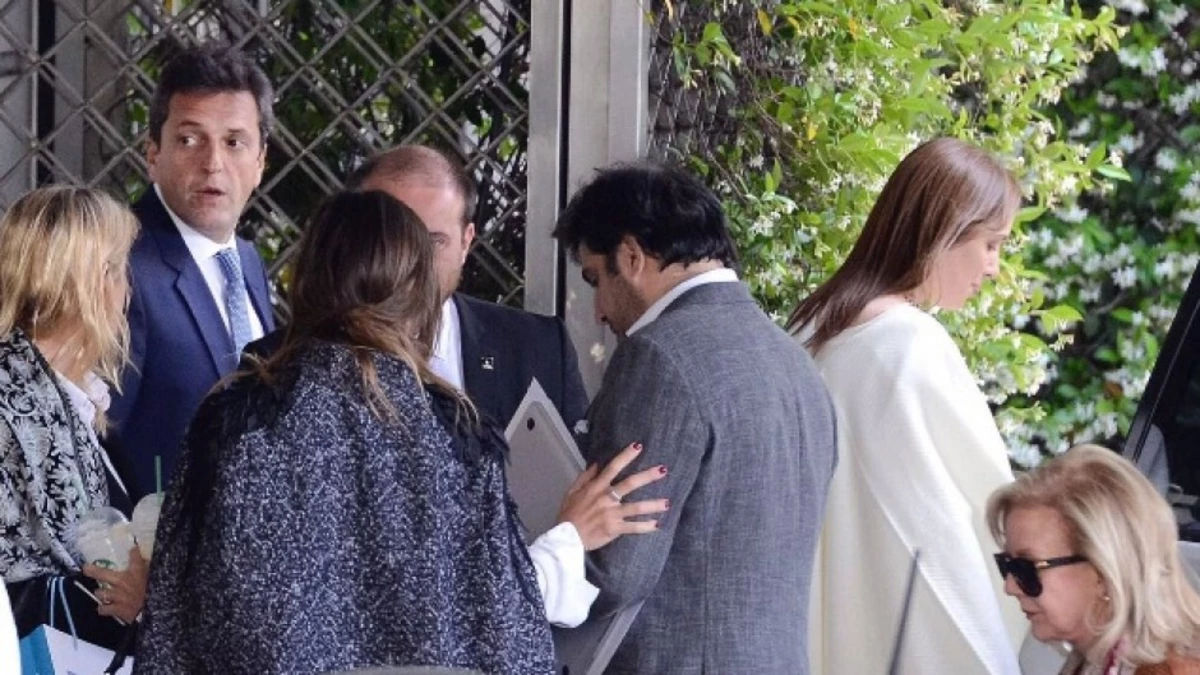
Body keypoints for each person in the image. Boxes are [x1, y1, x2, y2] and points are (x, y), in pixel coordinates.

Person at [137, 190, 559, 674]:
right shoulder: (458, 435)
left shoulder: (237, 422)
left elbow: (171, 628)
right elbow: (514, 639)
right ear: (417, 293)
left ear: (308, 282)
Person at [552, 162, 838, 674]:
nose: (598, 310)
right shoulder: (796, 364)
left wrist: (546, 550)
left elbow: (615, 570)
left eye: (595, 279)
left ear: (631, 256)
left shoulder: (657, 357)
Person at [790, 137, 1025, 675]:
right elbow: (976, 513)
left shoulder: (812, 322)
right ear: (944, 230)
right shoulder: (909, 345)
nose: (994, 267)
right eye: (991, 244)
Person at [107, 46, 276, 497]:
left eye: (234, 142)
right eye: (189, 139)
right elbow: (96, 442)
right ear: (152, 154)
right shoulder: (119, 264)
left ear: (260, 162)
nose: (213, 162)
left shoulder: (246, 260)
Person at [346, 145, 588, 429]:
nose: (415, 261)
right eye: (394, 239)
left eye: (435, 241)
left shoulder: (538, 348)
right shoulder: (307, 357)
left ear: (465, 242)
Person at [0, 187, 146, 651]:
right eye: (119, 269)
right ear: (91, 281)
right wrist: (128, 595)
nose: (128, 291)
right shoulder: (16, 403)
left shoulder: (71, 397)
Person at [987, 445, 1200, 674]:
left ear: (1104, 571)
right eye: (1007, 565)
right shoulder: (1098, 659)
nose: (1010, 587)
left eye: (1026, 567)